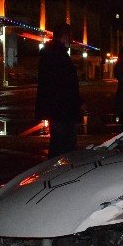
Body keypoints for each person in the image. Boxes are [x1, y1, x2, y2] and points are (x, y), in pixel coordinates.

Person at [35, 23, 82, 157]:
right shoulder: (59, 56)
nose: (72, 40)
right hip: (62, 109)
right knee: (64, 146)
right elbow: (66, 84)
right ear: (65, 36)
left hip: (56, 108)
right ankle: (60, 173)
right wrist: (78, 102)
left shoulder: (50, 54)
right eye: (70, 36)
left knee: (58, 143)